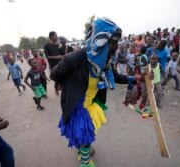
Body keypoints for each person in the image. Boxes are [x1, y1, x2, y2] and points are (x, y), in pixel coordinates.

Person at [50, 19, 131, 167]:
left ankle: (83, 149)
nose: (116, 47)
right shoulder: (73, 59)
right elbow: (54, 75)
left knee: (83, 135)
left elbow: (117, 76)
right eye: (113, 43)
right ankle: (85, 163)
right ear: (100, 41)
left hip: (91, 103)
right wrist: (69, 82)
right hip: (77, 105)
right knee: (85, 137)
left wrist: (134, 79)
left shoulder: (104, 61)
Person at [44, 31, 62, 96]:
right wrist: (57, 57)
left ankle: (60, 87)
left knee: (62, 76)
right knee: (56, 78)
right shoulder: (47, 46)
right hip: (53, 65)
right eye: (56, 35)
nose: (57, 37)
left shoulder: (57, 45)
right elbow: (47, 56)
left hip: (60, 63)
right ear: (51, 36)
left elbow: (59, 53)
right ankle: (56, 89)